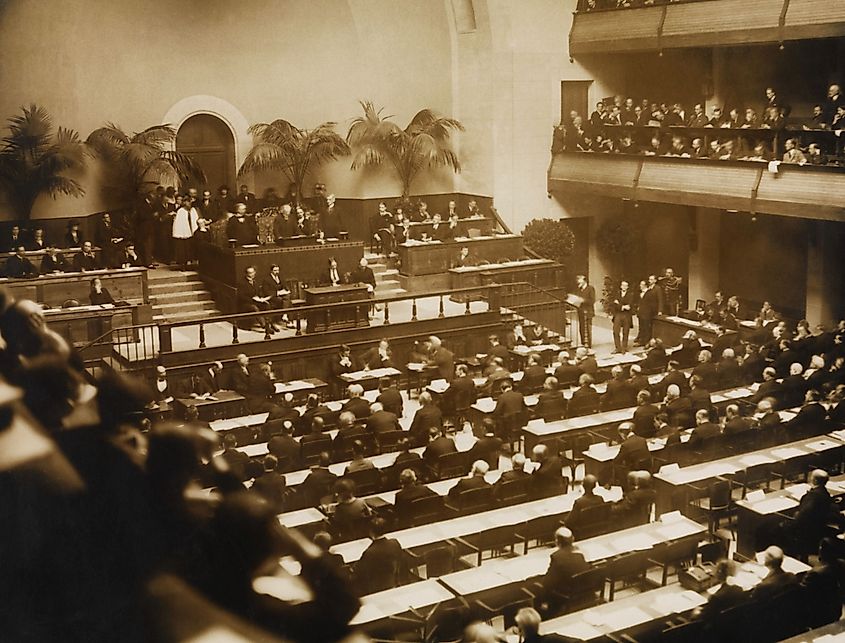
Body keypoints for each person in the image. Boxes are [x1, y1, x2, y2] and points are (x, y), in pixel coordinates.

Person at [353, 517, 405, 595]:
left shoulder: (369, 552)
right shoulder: (395, 543)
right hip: (393, 581)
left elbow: (360, 571)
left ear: (370, 532)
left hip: (375, 587)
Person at [542, 527, 589, 606]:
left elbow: (548, 583)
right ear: (573, 539)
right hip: (583, 591)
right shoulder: (581, 554)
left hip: (567, 594)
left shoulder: (556, 557)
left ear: (557, 542)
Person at [238, 266, 274, 333]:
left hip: (256, 301)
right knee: (254, 308)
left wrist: (261, 298)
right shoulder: (242, 283)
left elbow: (258, 292)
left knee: (267, 304)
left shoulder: (255, 282)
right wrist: (253, 299)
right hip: (246, 303)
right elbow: (241, 296)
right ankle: (265, 326)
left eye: (253, 272)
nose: (252, 274)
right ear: (246, 274)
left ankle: (269, 323)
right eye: (250, 273)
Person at [261, 264, 293, 328]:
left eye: (278, 270)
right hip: (272, 297)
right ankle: (288, 320)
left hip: (282, 296)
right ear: (271, 271)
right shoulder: (266, 279)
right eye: (275, 270)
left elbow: (285, 286)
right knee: (287, 302)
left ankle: (285, 315)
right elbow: (266, 292)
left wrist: (286, 290)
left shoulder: (280, 277)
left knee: (287, 298)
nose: (277, 272)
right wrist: (277, 293)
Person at [635, 275, 662, 345]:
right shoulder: (648, 289)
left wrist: (660, 310)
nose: (650, 281)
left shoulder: (657, 288)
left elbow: (660, 300)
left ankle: (645, 341)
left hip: (651, 310)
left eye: (652, 279)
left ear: (655, 280)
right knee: (643, 325)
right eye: (649, 279)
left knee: (647, 326)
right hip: (644, 311)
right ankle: (641, 338)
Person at [610, 279, 634, 353]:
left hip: (627, 315)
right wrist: (623, 307)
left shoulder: (631, 295)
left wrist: (619, 304)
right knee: (615, 331)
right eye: (622, 285)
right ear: (620, 286)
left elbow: (630, 306)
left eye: (625, 286)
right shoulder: (616, 294)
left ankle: (624, 347)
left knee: (625, 332)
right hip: (618, 314)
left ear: (627, 287)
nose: (624, 287)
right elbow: (613, 305)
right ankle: (618, 348)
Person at [574, 274, 595, 348]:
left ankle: (588, 344)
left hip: (588, 311)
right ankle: (583, 343)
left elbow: (592, 300)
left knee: (587, 328)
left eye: (580, 279)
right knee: (581, 328)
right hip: (581, 311)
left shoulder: (590, 288)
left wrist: (582, 300)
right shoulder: (579, 289)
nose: (578, 281)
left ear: (584, 280)